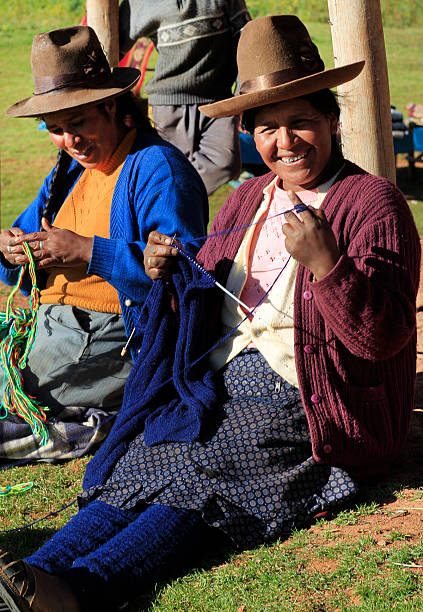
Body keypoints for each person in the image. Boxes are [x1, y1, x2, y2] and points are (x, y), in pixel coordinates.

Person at [0, 15, 420, 612]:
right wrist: (162, 267)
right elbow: (195, 287)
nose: (287, 141)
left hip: (309, 398)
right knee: (144, 455)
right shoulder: (250, 197)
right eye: (269, 128)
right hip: (218, 379)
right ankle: (33, 573)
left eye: (302, 121)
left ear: (333, 118)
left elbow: (383, 338)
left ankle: (80, 590)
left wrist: (329, 267)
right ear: (250, 134)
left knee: (206, 471)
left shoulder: (371, 203)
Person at [0, 25, 208, 465]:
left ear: (111, 105)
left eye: (79, 123)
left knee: (14, 406)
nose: (70, 141)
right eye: (55, 129)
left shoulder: (157, 170)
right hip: (48, 328)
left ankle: (88, 420)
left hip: (112, 338)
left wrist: (88, 252)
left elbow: (185, 279)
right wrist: (9, 249)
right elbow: (16, 259)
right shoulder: (68, 172)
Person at [118, 0, 251, 195]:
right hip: (169, 102)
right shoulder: (142, 3)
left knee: (226, 164)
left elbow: (245, 35)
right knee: (171, 166)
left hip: (219, 101)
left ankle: (170, 197)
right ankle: (172, 207)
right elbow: (115, 41)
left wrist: (242, 90)